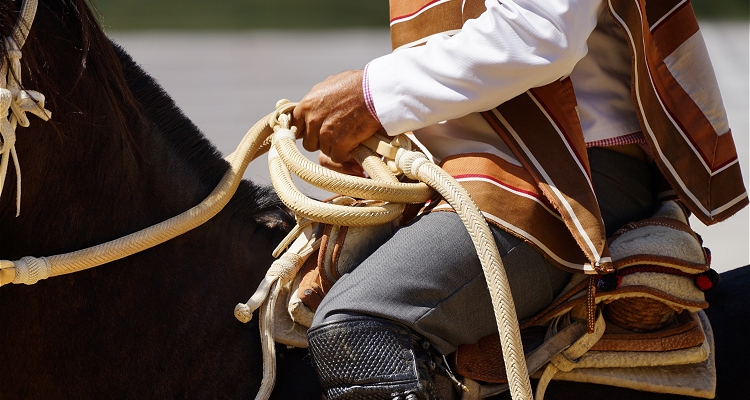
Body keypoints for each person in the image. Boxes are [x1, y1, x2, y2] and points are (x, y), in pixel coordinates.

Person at [290, 0, 748, 399]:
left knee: (357, 322)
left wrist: (371, 95)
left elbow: (542, 32)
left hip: (568, 174)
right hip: (480, 165)